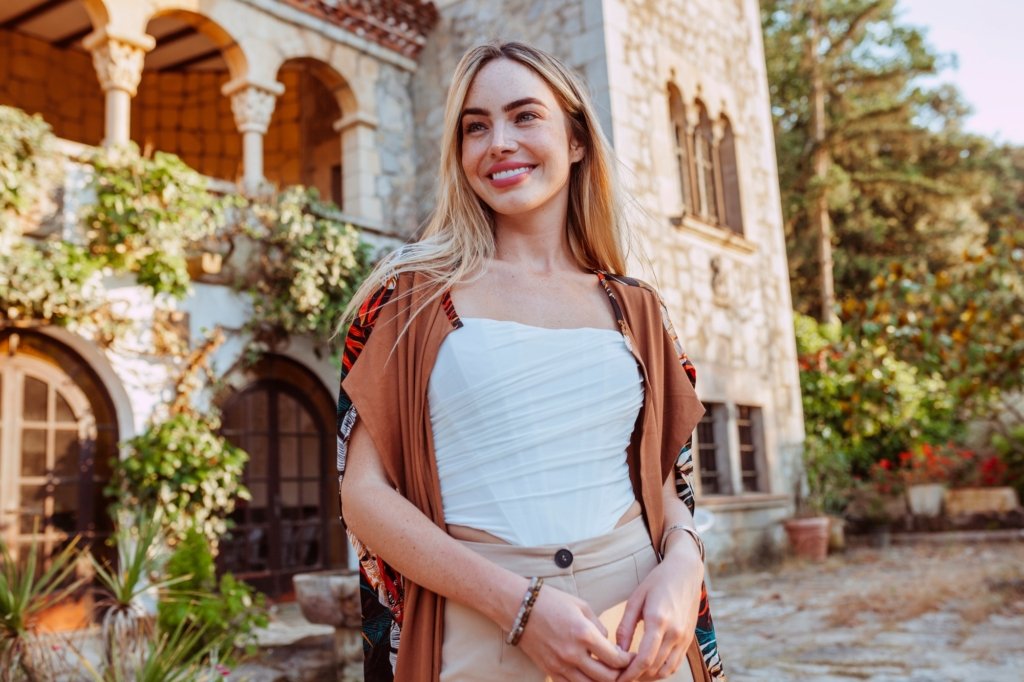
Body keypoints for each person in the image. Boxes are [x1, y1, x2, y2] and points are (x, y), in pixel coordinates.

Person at [336, 42, 725, 682]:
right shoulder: (409, 297)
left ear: (575, 140)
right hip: (480, 621)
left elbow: (664, 488)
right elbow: (364, 496)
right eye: (476, 127)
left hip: (638, 627)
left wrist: (684, 563)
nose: (499, 143)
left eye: (524, 116)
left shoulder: (637, 308)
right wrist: (518, 606)